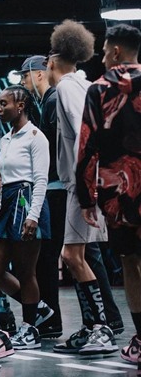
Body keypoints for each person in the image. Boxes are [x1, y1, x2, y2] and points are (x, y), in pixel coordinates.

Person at [19, 56, 123, 339]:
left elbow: (77, 138)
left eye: (25, 77)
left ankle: (97, 323)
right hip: (69, 184)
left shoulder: (58, 96)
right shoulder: (61, 95)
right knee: (80, 254)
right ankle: (102, 322)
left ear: (41, 72)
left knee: (73, 254)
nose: (22, 83)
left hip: (67, 186)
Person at [45, 20, 117, 355]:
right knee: (79, 255)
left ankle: (100, 328)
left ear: (52, 59)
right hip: (86, 182)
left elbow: (83, 137)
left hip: (81, 184)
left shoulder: (67, 88)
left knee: (71, 255)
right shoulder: (80, 83)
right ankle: (94, 327)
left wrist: (87, 190)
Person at [76, 23, 141, 367]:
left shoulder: (99, 90)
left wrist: (86, 199)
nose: (100, 57)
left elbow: (87, 147)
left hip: (118, 192)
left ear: (116, 51)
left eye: (103, 51)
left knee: (130, 263)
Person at [0, 85, 51, 351]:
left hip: (27, 200)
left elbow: (41, 180)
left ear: (20, 106)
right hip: (7, 201)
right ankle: (37, 309)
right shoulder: (5, 138)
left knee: (26, 271)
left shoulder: (36, 137)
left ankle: (29, 328)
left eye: (4, 104)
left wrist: (33, 215)